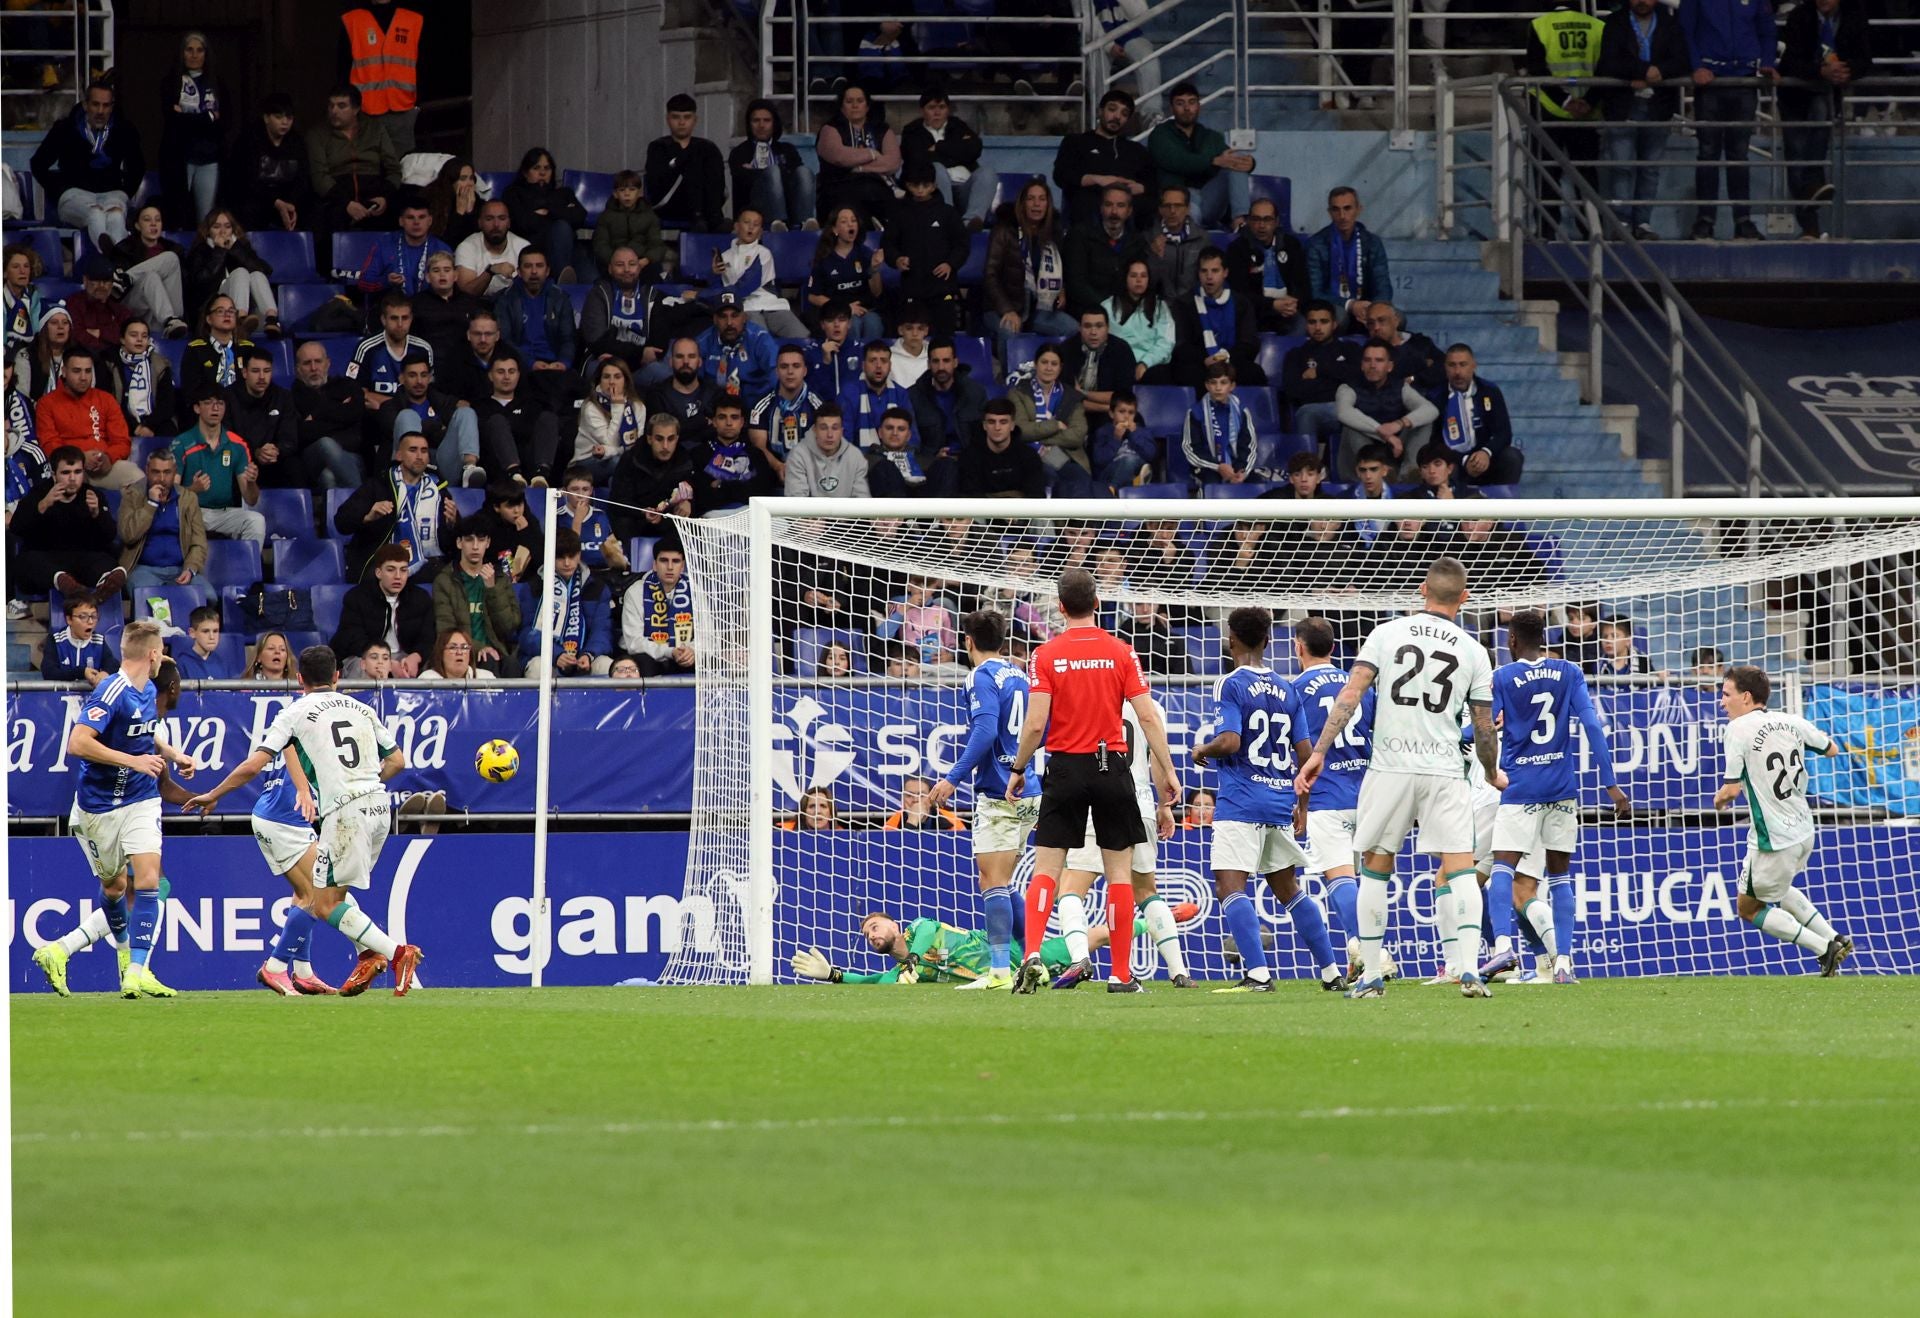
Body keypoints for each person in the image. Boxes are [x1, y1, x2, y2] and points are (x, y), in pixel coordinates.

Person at [1297, 555, 1502, 999]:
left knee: (1375, 866)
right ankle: (1468, 971)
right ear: (1464, 599)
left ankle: (1371, 975)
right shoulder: (1473, 650)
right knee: (1459, 867)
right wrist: (1492, 771)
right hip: (1444, 769)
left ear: (1422, 591)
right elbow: (1484, 728)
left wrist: (1318, 752)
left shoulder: (1385, 634)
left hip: (1390, 765)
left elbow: (1350, 695)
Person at [1005, 566, 1180, 994]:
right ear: (1097, 603)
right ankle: (1121, 974)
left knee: (1047, 868)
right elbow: (1146, 715)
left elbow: (1034, 724)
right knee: (1120, 875)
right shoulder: (1122, 651)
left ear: (1061, 607)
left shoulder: (1045, 655)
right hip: (1110, 766)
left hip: (1064, 766)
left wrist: (1018, 768)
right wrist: (1169, 770)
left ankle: (1031, 955)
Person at [243, 642, 423, 993]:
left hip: (342, 815)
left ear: (299, 678)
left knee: (323, 902)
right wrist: (368, 783)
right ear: (338, 676)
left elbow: (261, 759)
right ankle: (319, 965)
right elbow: (398, 761)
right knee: (324, 897)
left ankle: (396, 953)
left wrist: (214, 795)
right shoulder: (361, 708)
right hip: (378, 811)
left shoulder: (296, 714)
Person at [1191, 606, 1345, 992]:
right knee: (1287, 888)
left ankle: (1258, 974)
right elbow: (1308, 756)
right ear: (1268, 640)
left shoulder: (1230, 684)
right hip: (1278, 801)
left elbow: (1231, 741)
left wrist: (1201, 750)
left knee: (1230, 886)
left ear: (1231, 639)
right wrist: (1302, 806)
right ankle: (1331, 972)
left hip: (1242, 800)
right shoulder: (1287, 688)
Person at [1479, 610, 1631, 986]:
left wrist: (1457, 734)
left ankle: (1502, 947)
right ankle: (1562, 963)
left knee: (1502, 868)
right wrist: (1610, 784)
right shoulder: (1570, 671)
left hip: (1520, 789)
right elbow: (1593, 725)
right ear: (1543, 638)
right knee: (1560, 876)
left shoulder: (1502, 677)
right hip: (1561, 790)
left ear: (1512, 641)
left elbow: (1480, 728)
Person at [46, 622, 183, 997]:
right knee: (115, 887)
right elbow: (77, 743)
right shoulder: (112, 690)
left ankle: (137, 971)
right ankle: (65, 952)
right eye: (160, 652)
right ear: (153, 654)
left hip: (140, 799)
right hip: (99, 806)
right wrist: (133, 761)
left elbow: (144, 728)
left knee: (151, 881)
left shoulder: (149, 689)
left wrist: (171, 753)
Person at [919, 609, 1043, 988]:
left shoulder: (980, 675)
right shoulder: (1020, 674)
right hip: (1028, 788)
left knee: (992, 882)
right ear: (1003, 641)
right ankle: (1033, 961)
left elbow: (986, 729)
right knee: (1003, 882)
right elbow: (1042, 726)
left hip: (999, 792)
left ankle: (1001, 972)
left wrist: (953, 777)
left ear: (967, 641)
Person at [178, 730, 343, 996]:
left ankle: (303, 973)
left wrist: (214, 793)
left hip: (275, 814)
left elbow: (252, 766)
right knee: (318, 894)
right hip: (286, 818)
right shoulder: (315, 722)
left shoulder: (290, 722)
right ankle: (276, 966)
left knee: (304, 894)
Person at [1713, 664, 1852, 974]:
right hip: (1803, 829)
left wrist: (1718, 800)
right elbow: (1831, 750)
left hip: (1773, 837)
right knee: (1778, 888)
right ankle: (1834, 938)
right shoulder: (1791, 721)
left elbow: (1731, 790)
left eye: (1726, 694)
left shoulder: (1737, 729)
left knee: (1748, 908)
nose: (1722, 701)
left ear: (1746, 697)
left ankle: (1823, 948)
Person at [1290, 616, 1386, 980]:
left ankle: (1371, 953)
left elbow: (1297, 749)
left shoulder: (1295, 689)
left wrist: (1298, 802)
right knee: (1367, 882)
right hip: (1367, 792)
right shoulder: (1359, 685)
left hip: (1326, 795)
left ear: (1298, 647)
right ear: (1333, 647)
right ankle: (1359, 959)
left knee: (1340, 879)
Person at [1596, 0, 1693, 241]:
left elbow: (1682, 61)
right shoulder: (1614, 23)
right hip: (1622, 105)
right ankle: (1622, 222)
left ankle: (1643, 223)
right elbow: (1608, 62)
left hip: (1658, 106)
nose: (1642, 1)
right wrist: (1641, 71)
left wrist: (1658, 72)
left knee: (1650, 168)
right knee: (1622, 166)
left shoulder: (1671, 24)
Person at [1683, 0, 1777, 241]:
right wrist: (1695, 66)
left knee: (1739, 154)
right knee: (1708, 153)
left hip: (1745, 82)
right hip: (1709, 83)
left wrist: (1767, 62)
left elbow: (1767, 29)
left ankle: (1743, 221)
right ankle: (1705, 221)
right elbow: (1685, 29)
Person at [1779, 0, 1872, 241]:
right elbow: (1790, 62)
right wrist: (1819, 71)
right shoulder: (1800, 16)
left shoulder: (1854, 15)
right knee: (1796, 159)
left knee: (1821, 113)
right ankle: (1809, 224)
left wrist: (1846, 70)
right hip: (1794, 99)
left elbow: (1865, 59)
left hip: (1826, 94)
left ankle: (1813, 182)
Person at [30, 80, 145, 253]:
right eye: (95, 104)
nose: (100, 111)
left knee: (115, 217)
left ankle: (115, 268)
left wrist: (124, 191)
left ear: (112, 107)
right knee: (96, 214)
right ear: (85, 105)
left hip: (112, 193)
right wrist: (59, 188)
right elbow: (38, 163)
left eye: (106, 106)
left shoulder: (124, 129)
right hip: (74, 195)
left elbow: (138, 166)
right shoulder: (65, 128)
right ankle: (117, 264)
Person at [335, 424, 457, 582]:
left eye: (424, 451)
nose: (419, 456)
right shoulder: (379, 486)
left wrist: (452, 524)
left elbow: (451, 541)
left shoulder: (439, 489)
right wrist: (367, 518)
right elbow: (341, 522)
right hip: (386, 563)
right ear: (399, 455)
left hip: (430, 563)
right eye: (413, 450)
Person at [1525, 4, 1606, 239]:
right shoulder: (1598, 26)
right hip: (1587, 111)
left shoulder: (1540, 25)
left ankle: (1546, 231)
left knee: (1547, 174)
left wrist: (1565, 100)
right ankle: (1593, 231)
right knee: (1588, 176)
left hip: (1548, 110)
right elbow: (1605, 68)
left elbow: (1536, 69)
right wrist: (1587, 101)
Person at [11, 445, 124, 602]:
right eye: (66, 473)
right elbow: (17, 528)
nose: (72, 478)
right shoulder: (39, 494)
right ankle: (64, 582)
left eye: (77, 472)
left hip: (82, 559)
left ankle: (104, 583)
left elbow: (110, 536)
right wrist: (42, 506)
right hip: (46, 558)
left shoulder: (92, 495)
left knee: (108, 562)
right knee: (28, 561)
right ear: (54, 475)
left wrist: (97, 514)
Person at [981, 178, 1074, 364]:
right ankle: (1010, 382)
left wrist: (1062, 289)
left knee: (1074, 330)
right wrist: (1007, 309)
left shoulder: (1054, 232)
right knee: (1009, 331)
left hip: (1039, 309)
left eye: (1041, 199)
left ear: (1048, 204)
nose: (1036, 204)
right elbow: (990, 275)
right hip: (1002, 307)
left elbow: (1060, 269)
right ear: (1022, 203)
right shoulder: (1004, 229)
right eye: (1031, 199)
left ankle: (1062, 382)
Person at [1148, 81, 1255, 228]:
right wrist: (1213, 161)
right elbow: (1177, 161)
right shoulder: (1160, 134)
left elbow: (1228, 159)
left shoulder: (1211, 137)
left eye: (1191, 102)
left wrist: (1250, 163)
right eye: (1180, 103)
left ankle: (1240, 222)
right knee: (1191, 218)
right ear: (1171, 108)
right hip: (1177, 201)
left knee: (1236, 158)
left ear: (1199, 106)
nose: (1187, 108)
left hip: (1208, 198)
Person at [307, 85, 401, 248]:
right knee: (324, 220)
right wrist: (346, 204)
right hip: (336, 196)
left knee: (400, 215)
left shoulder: (375, 129)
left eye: (341, 106)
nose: (334, 111)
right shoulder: (317, 134)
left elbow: (394, 169)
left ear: (356, 109)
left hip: (374, 194)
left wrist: (384, 197)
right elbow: (319, 177)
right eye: (331, 105)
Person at [173, 382, 265, 546]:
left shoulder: (238, 445)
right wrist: (193, 489)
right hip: (192, 511)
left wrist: (251, 482)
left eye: (220, 403)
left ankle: (246, 570)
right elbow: (169, 494)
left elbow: (251, 500)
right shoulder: (181, 443)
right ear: (197, 408)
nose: (215, 408)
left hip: (225, 513)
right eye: (208, 403)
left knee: (256, 520)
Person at [36, 347, 142, 491]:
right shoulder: (47, 403)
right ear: (64, 372)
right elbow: (49, 444)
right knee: (71, 479)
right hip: (69, 468)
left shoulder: (106, 399)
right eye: (77, 371)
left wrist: (108, 458)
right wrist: (80, 459)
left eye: (88, 371)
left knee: (136, 477)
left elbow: (122, 441)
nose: (83, 377)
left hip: (104, 467)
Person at [883, 160, 967, 333]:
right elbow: (888, 244)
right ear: (907, 185)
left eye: (925, 185)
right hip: (912, 287)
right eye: (915, 185)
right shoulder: (899, 214)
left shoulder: (948, 213)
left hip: (942, 287)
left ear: (934, 186)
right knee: (913, 336)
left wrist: (950, 263)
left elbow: (962, 244)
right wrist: (896, 259)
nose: (920, 190)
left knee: (943, 338)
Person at [518, 527, 614, 678]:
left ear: (579, 555)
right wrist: (555, 654)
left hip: (584, 658)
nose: (567, 563)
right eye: (560, 557)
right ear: (549, 556)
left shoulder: (597, 587)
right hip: (547, 659)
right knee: (537, 666)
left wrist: (589, 654)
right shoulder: (533, 587)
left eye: (572, 556)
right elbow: (526, 633)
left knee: (607, 666)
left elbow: (602, 630)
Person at [118, 447, 208, 604]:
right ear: (147, 471)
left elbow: (199, 542)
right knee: (151, 602)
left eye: (167, 472)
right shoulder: (132, 494)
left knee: (208, 597)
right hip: (143, 568)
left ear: (175, 472)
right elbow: (128, 535)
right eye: (155, 472)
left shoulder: (188, 498)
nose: (161, 478)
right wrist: (151, 504)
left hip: (180, 568)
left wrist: (191, 568)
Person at [1052, 88, 1152, 229]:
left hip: (1127, 220)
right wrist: (1097, 180)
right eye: (1112, 109)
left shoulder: (1136, 150)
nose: (1117, 116)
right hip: (1087, 218)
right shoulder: (1075, 142)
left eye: (1124, 114)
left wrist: (1140, 188)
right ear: (1100, 111)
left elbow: (1153, 183)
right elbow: (1061, 176)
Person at [1336, 341, 1437, 480]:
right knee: (1351, 426)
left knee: (1424, 421)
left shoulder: (1400, 387)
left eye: (1379, 360)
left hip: (1395, 452)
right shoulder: (1348, 387)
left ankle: (1408, 476)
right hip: (1362, 456)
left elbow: (1430, 410)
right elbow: (1344, 413)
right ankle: (1371, 475)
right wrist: (1386, 435)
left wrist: (1399, 424)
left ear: (1389, 366)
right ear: (1362, 365)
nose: (1372, 365)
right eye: (1367, 360)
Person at [379, 350, 480, 487]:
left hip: (443, 468)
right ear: (402, 378)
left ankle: (470, 469)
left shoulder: (444, 403)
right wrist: (437, 427)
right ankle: (411, 480)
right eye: (412, 375)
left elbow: (455, 433)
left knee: (466, 413)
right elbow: (397, 434)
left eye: (423, 375)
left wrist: (428, 428)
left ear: (429, 378)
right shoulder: (390, 407)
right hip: (406, 472)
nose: (419, 381)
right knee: (407, 416)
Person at [330, 543, 433, 675]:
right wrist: (386, 663)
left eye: (403, 570)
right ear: (379, 572)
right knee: (363, 668)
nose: (398, 576)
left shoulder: (420, 598)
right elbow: (353, 639)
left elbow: (428, 637)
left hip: (405, 657)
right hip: (365, 656)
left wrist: (416, 657)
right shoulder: (357, 597)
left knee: (431, 670)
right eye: (391, 570)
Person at [158, 31, 228, 227]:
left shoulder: (218, 84)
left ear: (206, 54)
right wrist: (208, 117)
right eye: (189, 50)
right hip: (180, 158)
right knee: (177, 213)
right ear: (182, 53)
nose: (194, 55)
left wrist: (187, 117)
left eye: (199, 50)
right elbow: (173, 120)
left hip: (209, 158)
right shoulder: (171, 82)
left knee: (206, 219)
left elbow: (224, 123)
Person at [433, 522, 521, 675]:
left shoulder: (500, 579)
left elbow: (509, 627)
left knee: (512, 665)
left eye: (480, 540)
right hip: (462, 653)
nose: (475, 546)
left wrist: (492, 590)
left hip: (498, 651)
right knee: (488, 661)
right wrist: (478, 647)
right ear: (459, 543)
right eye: (469, 540)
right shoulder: (445, 581)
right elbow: (445, 630)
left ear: (487, 543)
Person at [341, 1, 425, 156]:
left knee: (404, 168)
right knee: (368, 167)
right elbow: (342, 66)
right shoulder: (352, 19)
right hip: (366, 112)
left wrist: (417, 106)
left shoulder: (413, 19)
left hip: (403, 110)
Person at [899, 89, 992, 229]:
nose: (937, 113)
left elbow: (974, 148)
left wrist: (939, 148)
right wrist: (958, 152)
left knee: (987, 173)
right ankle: (948, 221)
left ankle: (970, 222)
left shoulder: (958, 125)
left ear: (948, 109)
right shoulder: (912, 131)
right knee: (936, 168)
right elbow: (918, 159)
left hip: (964, 187)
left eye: (941, 107)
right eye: (931, 108)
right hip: (933, 190)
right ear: (922, 110)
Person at [713, 207, 809, 339]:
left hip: (772, 305)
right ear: (736, 226)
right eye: (747, 222)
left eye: (756, 224)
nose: (751, 227)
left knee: (802, 337)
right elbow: (718, 288)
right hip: (746, 309)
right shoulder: (724, 257)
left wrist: (700, 293)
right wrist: (713, 274)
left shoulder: (763, 253)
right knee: (760, 340)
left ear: (760, 232)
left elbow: (747, 285)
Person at [1174, 246, 1263, 388]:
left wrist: (1225, 358)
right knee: (1186, 374)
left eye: (1215, 271)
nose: (1209, 277)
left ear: (1225, 273)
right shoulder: (1185, 304)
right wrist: (1205, 359)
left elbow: (1249, 343)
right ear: (1198, 273)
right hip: (1201, 364)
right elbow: (1182, 345)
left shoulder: (1241, 303)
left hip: (1232, 363)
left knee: (1254, 373)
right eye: (1204, 271)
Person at [1009, 344, 1092, 497]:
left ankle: (1077, 521)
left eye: (1054, 364)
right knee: (1048, 477)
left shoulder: (1072, 396)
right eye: (1044, 362)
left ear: (1060, 368)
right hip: (1030, 454)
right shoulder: (1018, 393)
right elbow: (1021, 430)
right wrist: (1055, 425)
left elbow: (1076, 436)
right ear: (1035, 364)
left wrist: (1041, 437)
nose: (1049, 368)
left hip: (1065, 455)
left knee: (1080, 478)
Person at [223, 92, 311, 235]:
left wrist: (291, 204)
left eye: (289, 118)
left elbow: (302, 179)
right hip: (256, 200)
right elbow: (245, 181)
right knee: (248, 210)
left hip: (286, 201)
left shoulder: (297, 142)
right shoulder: (249, 141)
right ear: (266, 118)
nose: (285, 122)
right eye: (278, 117)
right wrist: (276, 202)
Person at [1436, 343, 1524, 485]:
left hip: (1486, 459)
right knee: (1442, 465)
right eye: (1452, 365)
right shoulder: (1436, 396)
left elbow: (1504, 433)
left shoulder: (1490, 391)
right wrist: (1463, 460)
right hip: (1455, 461)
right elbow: (1435, 441)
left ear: (1473, 366)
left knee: (1512, 457)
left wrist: (1486, 452)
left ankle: (1505, 504)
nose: (1457, 371)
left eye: (1463, 364)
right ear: (1445, 367)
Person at [814, 82, 900, 226]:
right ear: (841, 106)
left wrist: (859, 168)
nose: (855, 105)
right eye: (849, 101)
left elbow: (892, 162)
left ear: (867, 106)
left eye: (860, 101)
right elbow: (839, 157)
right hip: (838, 187)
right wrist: (872, 154)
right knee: (857, 194)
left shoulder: (882, 129)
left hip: (877, 187)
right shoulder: (830, 129)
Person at [1305, 187, 1391, 330]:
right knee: (1340, 317)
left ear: (1358, 209)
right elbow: (1315, 292)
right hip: (1332, 306)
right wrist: (1350, 305)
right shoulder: (1316, 244)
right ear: (1329, 212)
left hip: (1367, 305)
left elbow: (1383, 285)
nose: (1342, 215)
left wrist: (1374, 308)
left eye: (1347, 208)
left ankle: (1379, 352)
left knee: (1397, 319)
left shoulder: (1372, 242)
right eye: (1336, 210)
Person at [290, 339, 371, 491]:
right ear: (298, 369)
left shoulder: (348, 386)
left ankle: (334, 514)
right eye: (307, 363)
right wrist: (340, 413)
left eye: (318, 362)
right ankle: (361, 501)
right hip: (313, 459)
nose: (314, 368)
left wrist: (318, 415)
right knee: (325, 444)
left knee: (329, 476)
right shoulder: (292, 397)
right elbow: (302, 432)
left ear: (327, 363)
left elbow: (355, 414)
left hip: (352, 456)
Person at [728, 99, 816, 234]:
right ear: (749, 124)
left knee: (804, 172)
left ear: (774, 123)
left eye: (766, 120)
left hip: (789, 204)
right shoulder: (739, 152)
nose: (761, 125)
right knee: (773, 171)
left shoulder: (787, 149)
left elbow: (795, 179)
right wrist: (769, 173)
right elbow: (743, 182)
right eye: (756, 121)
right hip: (754, 207)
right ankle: (777, 223)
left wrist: (756, 171)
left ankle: (804, 223)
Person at [644, 93, 729, 234]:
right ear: (668, 119)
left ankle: (713, 218)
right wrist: (679, 161)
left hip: (706, 205)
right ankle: (701, 217)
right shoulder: (658, 147)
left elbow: (718, 181)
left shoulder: (707, 147)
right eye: (676, 117)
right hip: (669, 203)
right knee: (693, 160)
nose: (682, 123)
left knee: (707, 154)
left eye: (687, 117)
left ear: (695, 120)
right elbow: (655, 183)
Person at [1281, 300, 1359, 450]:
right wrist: (1336, 381)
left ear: (1334, 324)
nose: (1318, 327)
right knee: (1307, 412)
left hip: (1348, 408)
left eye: (1324, 321)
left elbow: (1358, 378)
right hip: (1314, 410)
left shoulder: (1351, 349)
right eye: (1312, 322)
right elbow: (1293, 391)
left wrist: (1320, 371)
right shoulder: (1296, 355)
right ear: (1306, 325)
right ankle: (1307, 469)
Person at [502, 147, 587, 284]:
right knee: (562, 226)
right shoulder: (513, 193)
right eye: (536, 168)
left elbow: (580, 217)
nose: (542, 173)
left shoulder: (564, 193)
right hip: (533, 247)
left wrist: (548, 211)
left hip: (569, 248)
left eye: (547, 168)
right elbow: (522, 223)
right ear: (525, 172)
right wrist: (563, 212)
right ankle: (562, 278)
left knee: (593, 280)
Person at [476, 352, 561, 486]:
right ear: (490, 376)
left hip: (530, 467)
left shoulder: (532, 405)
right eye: (500, 372)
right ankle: (514, 475)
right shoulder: (480, 406)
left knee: (548, 418)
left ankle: (541, 475)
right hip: (496, 468)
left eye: (511, 371)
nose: (506, 377)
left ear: (518, 375)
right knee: (497, 421)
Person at [1063, 184, 1145, 321]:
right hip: (1086, 312)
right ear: (1101, 208)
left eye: (1120, 206)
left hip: (1123, 312)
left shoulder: (1137, 242)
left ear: (1129, 211)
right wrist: (1107, 307)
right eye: (1108, 205)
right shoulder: (1080, 235)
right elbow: (1076, 284)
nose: (1114, 212)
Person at [1226, 197, 1309, 333]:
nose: (1261, 225)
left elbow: (1303, 284)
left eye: (1267, 219)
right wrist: (1272, 305)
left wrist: (1293, 302)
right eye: (1256, 219)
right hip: (1254, 311)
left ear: (1276, 222)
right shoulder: (1237, 249)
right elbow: (1239, 294)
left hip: (1288, 310)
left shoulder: (1291, 245)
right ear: (1249, 222)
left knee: (1301, 324)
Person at [354, 188, 452, 300]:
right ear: (401, 221)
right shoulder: (384, 244)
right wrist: (386, 281)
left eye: (421, 217)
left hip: (428, 310)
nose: (416, 222)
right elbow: (363, 283)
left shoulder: (442, 249)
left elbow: (450, 288)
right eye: (410, 217)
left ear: (429, 221)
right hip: (392, 308)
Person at [107, 206, 190, 337]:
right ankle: (169, 321)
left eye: (157, 220)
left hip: (172, 313)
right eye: (147, 220)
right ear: (138, 226)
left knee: (171, 258)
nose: (153, 224)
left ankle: (125, 278)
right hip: (138, 311)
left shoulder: (174, 249)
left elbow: (183, 285)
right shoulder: (124, 249)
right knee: (151, 277)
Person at [750, 345, 825, 488]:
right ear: (777, 371)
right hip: (773, 473)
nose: (790, 372)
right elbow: (759, 447)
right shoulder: (761, 406)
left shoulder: (818, 407)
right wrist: (779, 466)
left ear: (805, 371)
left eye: (796, 366)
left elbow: (826, 445)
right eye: (784, 367)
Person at [610, 413, 698, 534]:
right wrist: (642, 511)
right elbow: (618, 501)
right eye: (659, 439)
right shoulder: (631, 459)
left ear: (677, 438)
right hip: (637, 519)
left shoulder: (685, 461)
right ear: (649, 438)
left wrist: (688, 502)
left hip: (668, 520)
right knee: (623, 522)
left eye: (671, 439)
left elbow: (695, 493)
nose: (665, 446)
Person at [225, 346, 299, 488]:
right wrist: (255, 452)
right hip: (242, 461)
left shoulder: (283, 397)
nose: (262, 377)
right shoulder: (228, 398)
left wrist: (277, 450)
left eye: (267, 371)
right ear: (244, 372)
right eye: (255, 371)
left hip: (274, 460)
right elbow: (227, 438)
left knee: (294, 466)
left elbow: (290, 438)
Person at [805, 208, 883, 342]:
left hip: (865, 309)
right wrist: (844, 308)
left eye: (853, 221)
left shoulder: (865, 253)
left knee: (873, 323)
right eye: (844, 222)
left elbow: (877, 292)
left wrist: (874, 269)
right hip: (837, 312)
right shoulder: (824, 258)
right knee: (851, 324)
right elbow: (813, 296)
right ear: (835, 229)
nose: (851, 225)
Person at [622, 538, 696, 676]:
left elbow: (709, 637)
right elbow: (634, 643)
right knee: (641, 662)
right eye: (664, 560)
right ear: (654, 565)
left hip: (686, 657)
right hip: (650, 659)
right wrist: (669, 651)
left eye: (676, 561)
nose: (669, 567)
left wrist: (692, 651)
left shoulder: (696, 592)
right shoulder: (636, 592)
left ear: (683, 566)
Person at [1179, 359, 1257, 491]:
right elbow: (1191, 449)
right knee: (1212, 484)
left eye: (1223, 382)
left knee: (1256, 482)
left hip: (1236, 466)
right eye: (1213, 383)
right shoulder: (1195, 412)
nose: (1218, 387)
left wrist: (1242, 471)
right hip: (1207, 467)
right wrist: (1218, 466)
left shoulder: (1242, 411)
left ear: (1232, 386)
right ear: (1207, 386)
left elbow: (1249, 446)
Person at [908, 339, 986, 462]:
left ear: (955, 362)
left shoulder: (975, 393)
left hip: (970, 461)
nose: (941, 367)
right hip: (932, 464)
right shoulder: (914, 396)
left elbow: (984, 437)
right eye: (935, 361)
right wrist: (932, 459)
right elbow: (912, 444)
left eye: (946, 361)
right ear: (928, 364)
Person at [1102, 257, 1175, 387]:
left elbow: (1166, 342)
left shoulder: (1160, 307)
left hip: (1151, 365)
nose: (1139, 280)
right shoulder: (1107, 307)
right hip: (1119, 364)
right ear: (1125, 278)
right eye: (1133, 275)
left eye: (1143, 276)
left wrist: (1145, 363)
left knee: (1161, 375)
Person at [578, 245, 652, 371]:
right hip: (604, 358)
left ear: (639, 268)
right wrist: (639, 353)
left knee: (660, 372)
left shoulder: (651, 296)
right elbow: (596, 340)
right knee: (599, 369)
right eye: (620, 265)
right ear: (610, 269)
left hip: (641, 364)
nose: (627, 269)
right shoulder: (598, 294)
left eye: (632, 264)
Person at [1058, 307, 1137, 425]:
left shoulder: (1122, 350)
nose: (1093, 332)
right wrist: (1106, 407)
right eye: (1087, 326)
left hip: (1110, 416)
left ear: (1108, 328)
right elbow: (1066, 399)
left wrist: (1083, 393)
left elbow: (1122, 399)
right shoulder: (1066, 349)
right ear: (1079, 328)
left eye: (1099, 326)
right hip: (1074, 412)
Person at [696, 295, 779, 404]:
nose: (729, 322)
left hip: (756, 404)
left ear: (744, 317)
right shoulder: (702, 342)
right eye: (723, 316)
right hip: (715, 407)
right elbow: (694, 383)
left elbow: (776, 375)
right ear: (715, 319)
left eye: (735, 316)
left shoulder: (760, 339)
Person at [177, 293, 254, 411]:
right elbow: (190, 391)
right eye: (220, 311)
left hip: (243, 414)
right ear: (209, 319)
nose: (227, 314)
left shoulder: (248, 349)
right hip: (207, 413)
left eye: (231, 311)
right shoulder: (196, 350)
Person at [573, 357, 644, 483]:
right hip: (588, 461)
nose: (612, 382)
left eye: (617, 377)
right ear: (599, 381)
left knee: (618, 475)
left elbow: (635, 446)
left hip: (618, 457)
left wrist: (607, 451)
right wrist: (617, 406)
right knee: (619, 463)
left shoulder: (637, 407)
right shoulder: (591, 407)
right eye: (606, 377)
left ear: (626, 381)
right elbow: (610, 441)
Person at [959, 399, 1048, 499]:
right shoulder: (969, 457)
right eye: (991, 422)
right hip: (982, 513)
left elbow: (1036, 497)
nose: (997, 427)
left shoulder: (1029, 456)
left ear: (1012, 425)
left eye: (1003, 422)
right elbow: (968, 499)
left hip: (1019, 513)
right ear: (984, 425)